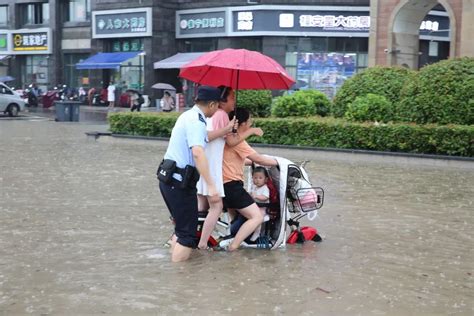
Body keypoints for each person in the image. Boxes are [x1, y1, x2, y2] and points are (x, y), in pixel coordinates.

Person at [158, 85, 223, 263]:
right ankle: (180, 279)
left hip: (169, 179)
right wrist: (211, 185)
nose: (217, 110)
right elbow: (197, 152)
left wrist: (226, 130)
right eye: (218, 105)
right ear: (211, 104)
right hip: (179, 183)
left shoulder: (188, 116)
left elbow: (204, 137)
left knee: (181, 229)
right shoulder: (197, 121)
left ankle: (176, 268)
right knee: (187, 235)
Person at [196, 87, 264, 250]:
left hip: (207, 170)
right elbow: (232, 142)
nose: (234, 100)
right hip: (214, 173)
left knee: (203, 210)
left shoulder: (214, 116)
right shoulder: (220, 115)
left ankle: (191, 239)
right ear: (222, 100)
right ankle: (207, 244)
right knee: (216, 207)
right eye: (232, 97)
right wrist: (251, 131)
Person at [219, 108, 278, 251]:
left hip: (221, 185)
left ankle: (232, 236)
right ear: (243, 123)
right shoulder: (238, 141)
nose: (251, 123)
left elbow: (236, 159)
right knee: (256, 217)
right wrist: (280, 162)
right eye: (250, 120)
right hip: (232, 186)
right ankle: (234, 246)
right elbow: (259, 158)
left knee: (237, 216)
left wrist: (252, 162)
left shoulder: (226, 137)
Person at [248, 166, 271, 242]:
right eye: (255, 178)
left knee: (257, 219)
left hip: (263, 210)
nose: (257, 180)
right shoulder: (254, 187)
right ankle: (248, 231)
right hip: (255, 207)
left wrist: (257, 196)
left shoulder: (265, 188)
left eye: (260, 178)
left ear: (266, 179)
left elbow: (265, 197)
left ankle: (257, 233)